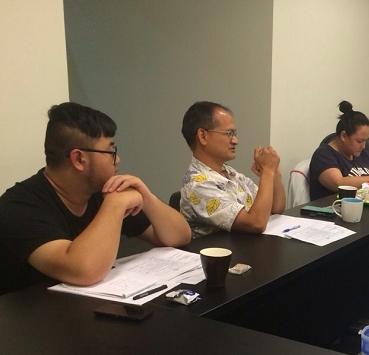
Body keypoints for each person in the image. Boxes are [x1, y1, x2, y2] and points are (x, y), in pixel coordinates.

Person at [0, 102, 191, 296]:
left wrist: (146, 197)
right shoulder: (18, 207)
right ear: (79, 159)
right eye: (111, 152)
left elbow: (180, 236)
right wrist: (115, 204)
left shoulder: (100, 192)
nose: (118, 160)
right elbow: (83, 271)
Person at [180, 101, 285, 238]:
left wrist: (274, 173)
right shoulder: (198, 185)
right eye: (229, 133)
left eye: (234, 133)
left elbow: (276, 208)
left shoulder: (229, 173)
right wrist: (267, 171)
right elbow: (256, 223)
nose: (235, 141)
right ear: (203, 136)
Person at [308, 101, 369, 201]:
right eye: (359, 141)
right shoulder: (324, 155)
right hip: (336, 208)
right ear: (344, 136)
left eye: (365, 141)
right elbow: (338, 183)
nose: (363, 146)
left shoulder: (362, 154)